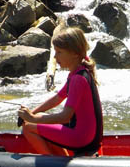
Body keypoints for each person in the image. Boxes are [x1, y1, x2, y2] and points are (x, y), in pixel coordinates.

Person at [18, 27, 103, 156]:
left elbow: (65, 117)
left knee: (28, 127)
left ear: (74, 53)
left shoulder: (78, 79)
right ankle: (62, 159)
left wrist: (32, 119)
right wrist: (33, 113)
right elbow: (57, 98)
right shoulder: (79, 72)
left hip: (82, 138)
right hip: (86, 136)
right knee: (44, 123)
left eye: (59, 52)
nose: (55, 56)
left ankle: (53, 166)